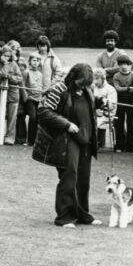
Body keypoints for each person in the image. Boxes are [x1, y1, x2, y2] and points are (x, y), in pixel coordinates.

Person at [33, 63, 104, 228]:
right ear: (72, 78)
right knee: (69, 176)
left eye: (87, 83)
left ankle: (83, 215)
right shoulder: (58, 89)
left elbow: (86, 107)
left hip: (85, 139)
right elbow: (43, 112)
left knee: (83, 179)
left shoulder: (87, 90)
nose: (84, 86)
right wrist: (66, 124)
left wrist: (100, 103)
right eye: (81, 83)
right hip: (66, 139)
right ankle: (65, 217)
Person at [0, 45, 22, 145]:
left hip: (13, 93)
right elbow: (2, 74)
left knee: (12, 117)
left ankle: (10, 138)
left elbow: (19, 79)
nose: (7, 58)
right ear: (0, 55)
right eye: (5, 56)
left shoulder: (14, 64)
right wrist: (5, 64)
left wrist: (10, 76)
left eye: (9, 56)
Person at [111, 54, 133, 153]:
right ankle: (120, 145)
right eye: (121, 64)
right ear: (118, 65)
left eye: (126, 64)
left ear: (129, 65)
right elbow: (117, 88)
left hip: (131, 101)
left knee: (131, 124)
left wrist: (132, 89)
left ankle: (132, 146)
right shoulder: (116, 76)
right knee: (119, 123)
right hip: (120, 101)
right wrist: (128, 88)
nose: (123, 66)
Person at [21, 52, 45, 146]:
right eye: (34, 60)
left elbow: (40, 86)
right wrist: (25, 97)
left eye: (38, 61)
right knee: (33, 117)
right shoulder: (26, 72)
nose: (36, 62)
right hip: (30, 99)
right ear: (30, 61)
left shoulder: (40, 74)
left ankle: (36, 140)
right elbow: (22, 85)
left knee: (38, 119)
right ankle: (30, 140)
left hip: (38, 99)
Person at [91, 68, 118, 149]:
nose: (95, 81)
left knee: (97, 123)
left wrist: (102, 110)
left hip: (107, 115)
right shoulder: (93, 88)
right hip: (95, 113)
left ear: (103, 78)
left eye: (97, 79)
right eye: (94, 79)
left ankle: (97, 144)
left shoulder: (110, 89)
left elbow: (111, 106)